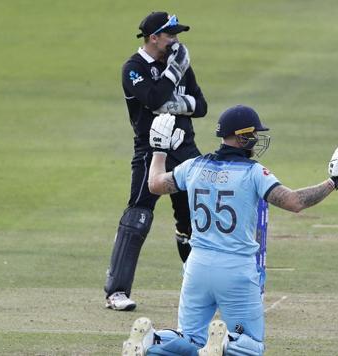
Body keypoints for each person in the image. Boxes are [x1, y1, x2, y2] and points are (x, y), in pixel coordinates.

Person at [121, 106, 338, 355]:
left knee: (190, 339)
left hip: (197, 265)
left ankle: (153, 340)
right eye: (253, 133)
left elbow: (155, 184)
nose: (256, 138)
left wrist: (158, 150)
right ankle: (225, 343)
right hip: (235, 268)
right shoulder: (254, 172)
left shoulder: (194, 166)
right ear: (242, 136)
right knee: (252, 345)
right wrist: (333, 182)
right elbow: (294, 202)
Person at [104, 11, 208, 311]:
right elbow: (152, 99)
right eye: (170, 34)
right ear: (154, 37)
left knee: (193, 218)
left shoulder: (179, 64)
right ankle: (116, 292)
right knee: (138, 215)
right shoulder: (134, 68)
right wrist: (174, 73)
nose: (176, 40)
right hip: (151, 149)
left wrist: (174, 98)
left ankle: (197, 286)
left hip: (186, 149)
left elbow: (201, 106)